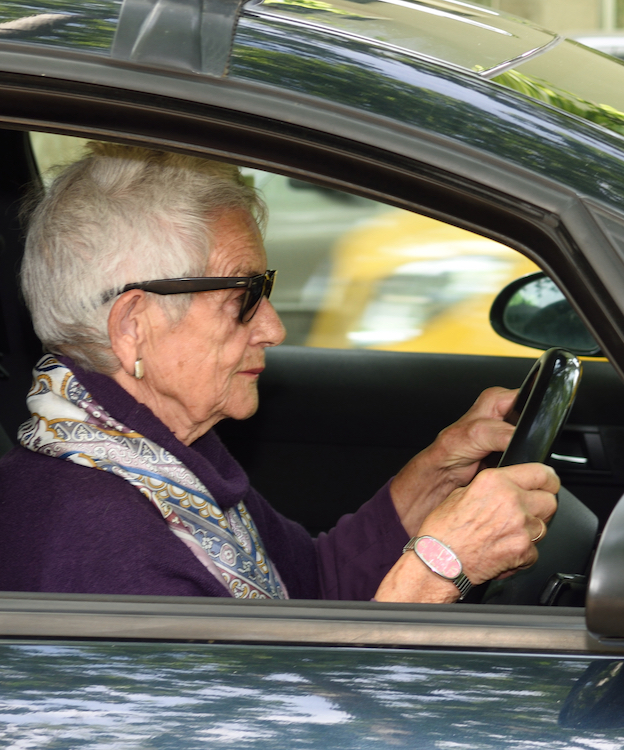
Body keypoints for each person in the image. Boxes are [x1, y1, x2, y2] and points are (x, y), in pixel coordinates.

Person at [0, 143, 558, 603]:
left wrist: (437, 476)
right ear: (133, 326)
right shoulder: (95, 544)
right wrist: (441, 565)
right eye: (243, 297)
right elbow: (295, 728)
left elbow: (311, 589)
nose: (272, 327)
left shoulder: (157, 459)